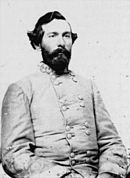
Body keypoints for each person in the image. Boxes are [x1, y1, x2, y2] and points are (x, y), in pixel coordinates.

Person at [1, 11, 128, 178]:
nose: (61, 43)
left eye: (66, 36)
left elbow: (112, 143)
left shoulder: (88, 86)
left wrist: (107, 175)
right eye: (52, 36)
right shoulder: (22, 88)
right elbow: (14, 154)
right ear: (37, 44)